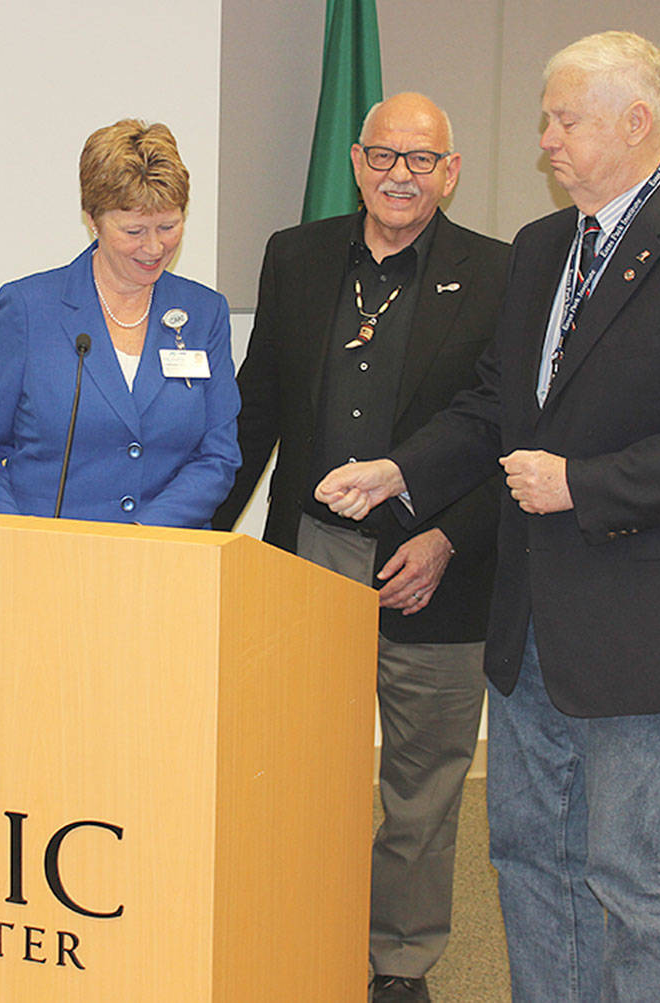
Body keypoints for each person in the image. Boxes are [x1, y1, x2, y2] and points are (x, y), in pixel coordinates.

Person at [316, 32, 660, 1002]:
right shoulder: (536, 252)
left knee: (634, 883)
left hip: (642, 637)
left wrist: (581, 483)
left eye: (564, 119)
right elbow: (492, 405)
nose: (544, 139)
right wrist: (395, 470)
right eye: (544, 119)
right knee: (528, 861)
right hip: (526, 625)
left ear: (634, 122)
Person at [213, 92, 508, 1003]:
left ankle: (399, 961)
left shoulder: (500, 275)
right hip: (310, 559)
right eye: (385, 155)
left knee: (420, 785)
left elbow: (510, 431)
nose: (400, 176)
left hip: (433, 572)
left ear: (450, 173)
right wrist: (201, 539)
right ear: (355, 159)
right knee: (302, 768)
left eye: (422, 160)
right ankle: (302, 927)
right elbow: (256, 408)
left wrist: (450, 539)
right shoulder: (296, 257)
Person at [0, 119, 240, 527]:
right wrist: (15, 538)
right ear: (92, 220)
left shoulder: (204, 313)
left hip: (168, 560)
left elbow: (218, 454)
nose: (154, 247)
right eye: (134, 230)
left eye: (168, 227)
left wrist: (144, 536)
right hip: (49, 562)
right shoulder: (29, 309)